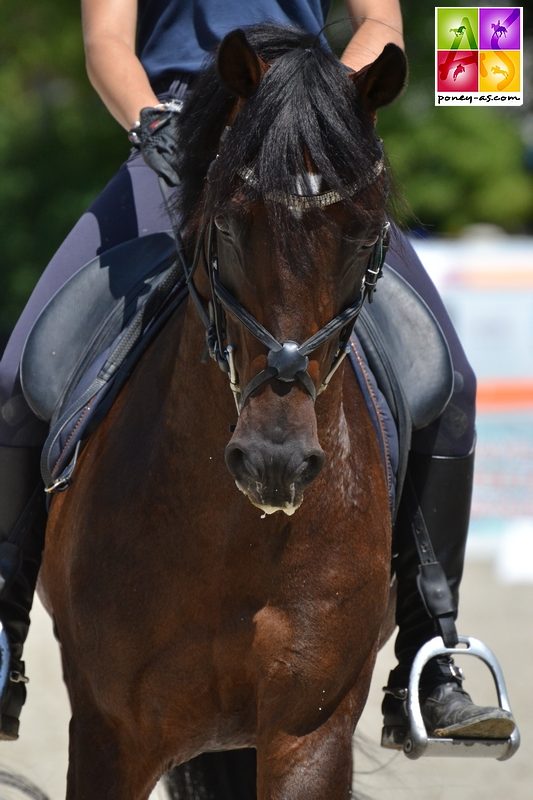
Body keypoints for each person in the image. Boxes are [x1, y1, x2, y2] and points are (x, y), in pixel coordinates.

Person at [0, 0, 515, 746]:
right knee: (18, 374)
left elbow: (383, 28)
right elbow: (106, 42)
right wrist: (154, 126)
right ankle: (6, 631)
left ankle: (430, 655)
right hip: (177, 135)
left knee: (452, 381)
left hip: (306, 138)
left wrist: (318, 109)